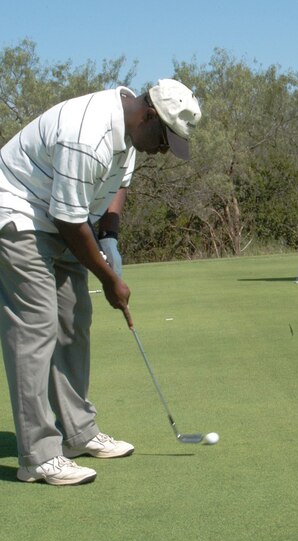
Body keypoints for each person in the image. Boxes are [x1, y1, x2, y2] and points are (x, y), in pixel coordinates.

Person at [0, 79, 202, 485]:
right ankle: (38, 456)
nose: (164, 150)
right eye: (165, 139)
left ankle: (77, 432)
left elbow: (118, 185)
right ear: (148, 115)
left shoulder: (128, 133)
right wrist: (109, 279)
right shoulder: (86, 135)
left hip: (59, 216)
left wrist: (109, 232)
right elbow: (69, 220)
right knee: (37, 326)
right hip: (19, 211)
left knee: (74, 321)